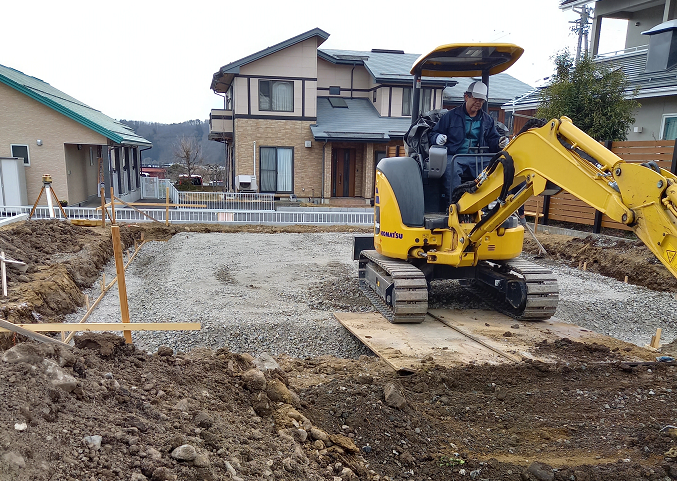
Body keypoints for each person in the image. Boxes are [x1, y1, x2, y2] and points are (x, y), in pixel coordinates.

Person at [429, 81, 508, 210]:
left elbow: (492, 139)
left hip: (478, 157)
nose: (478, 103)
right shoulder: (450, 116)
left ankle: (486, 205)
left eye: (481, 101)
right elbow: (433, 133)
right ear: (466, 97)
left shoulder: (487, 120)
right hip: (454, 156)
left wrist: (499, 142)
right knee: (451, 169)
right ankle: (454, 205)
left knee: (497, 166)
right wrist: (437, 138)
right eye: (475, 99)